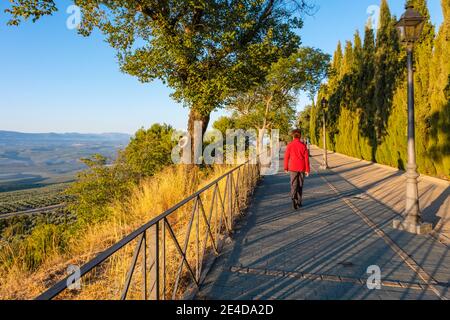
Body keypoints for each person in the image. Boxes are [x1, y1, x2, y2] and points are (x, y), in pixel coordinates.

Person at [284, 129, 310, 210]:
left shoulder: (290, 145)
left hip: (292, 168)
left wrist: (285, 167)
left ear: (293, 136)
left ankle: (293, 200)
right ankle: (299, 201)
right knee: (300, 185)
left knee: (293, 184)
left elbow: (286, 157)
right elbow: (306, 159)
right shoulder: (303, 146)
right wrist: (307, 170)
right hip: (302, 168)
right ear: (300, 136)